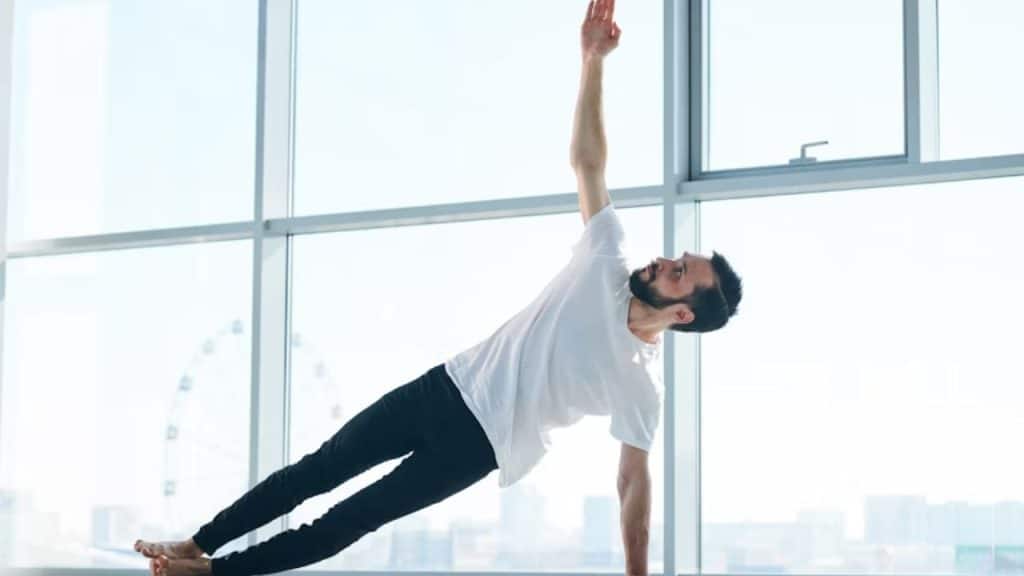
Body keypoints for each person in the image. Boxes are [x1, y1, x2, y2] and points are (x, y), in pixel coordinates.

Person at [134, 1, 742, 575]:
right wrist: (592, 63)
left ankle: (213, 572)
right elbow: (588, 162)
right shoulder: (606, 256)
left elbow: (633, 485)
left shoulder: (642, 383)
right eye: (676, 259)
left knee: (352, 518)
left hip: (477, 448)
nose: (666, 261)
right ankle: (196, 543)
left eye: (680, 272)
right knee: (318, 469)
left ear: (683, 315)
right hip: (445, 386)